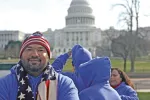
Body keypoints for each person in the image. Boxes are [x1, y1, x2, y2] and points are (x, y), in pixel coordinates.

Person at [0, 31, 79, 100]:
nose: (35, 54)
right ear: (21, 55)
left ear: (48, 56)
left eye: (40, 50)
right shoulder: (4, 84)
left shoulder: (64, 84)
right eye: (29, 49)